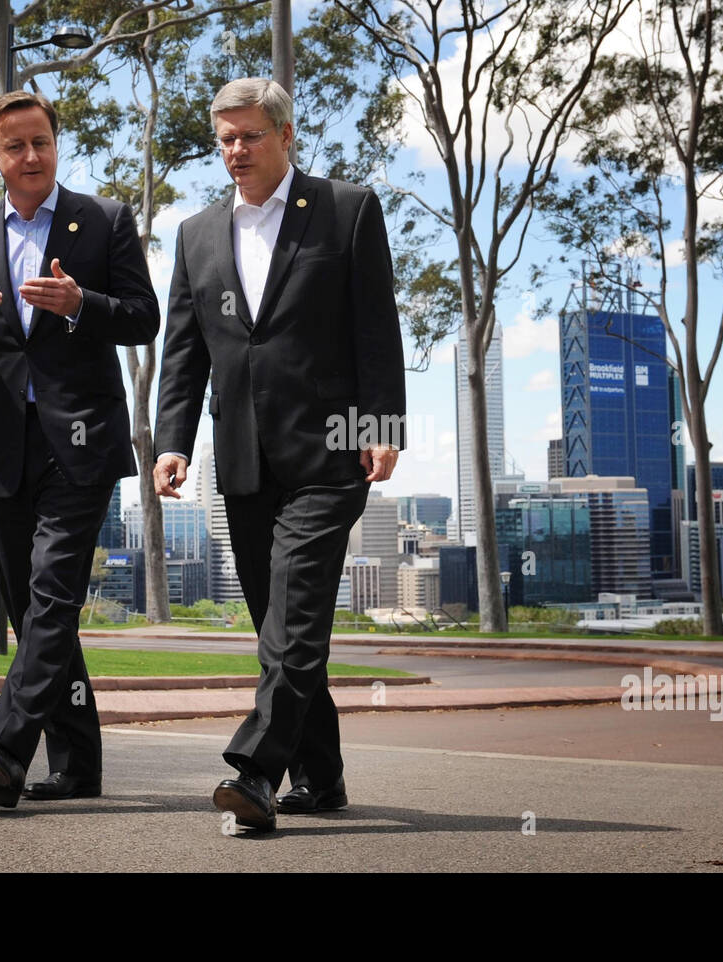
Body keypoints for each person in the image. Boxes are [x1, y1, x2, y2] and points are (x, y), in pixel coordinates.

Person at [153, 78, 406, 831]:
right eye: (225, 138)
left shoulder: (347, 209)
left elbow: (375, 325)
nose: (236, 150)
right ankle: (321, 779)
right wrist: (172, 441)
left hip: (331, 455)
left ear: (286, 136)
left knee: (293, 620)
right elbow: (185, 349)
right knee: (278, 626)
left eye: (250, 135)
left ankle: (255, 772)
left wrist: (381, 422)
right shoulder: (197, 233)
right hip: (242, 459)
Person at [0, 90, 160, 808]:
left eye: (42, 142)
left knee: (54, 594)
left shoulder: (106, 220)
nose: (31, 156)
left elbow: (144, 317)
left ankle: (5, 744)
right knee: (35, 614)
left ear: (57, 146)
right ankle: (80, 765)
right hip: (1, 447)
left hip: (82, 442)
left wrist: (83, 303)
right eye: (16, 145)